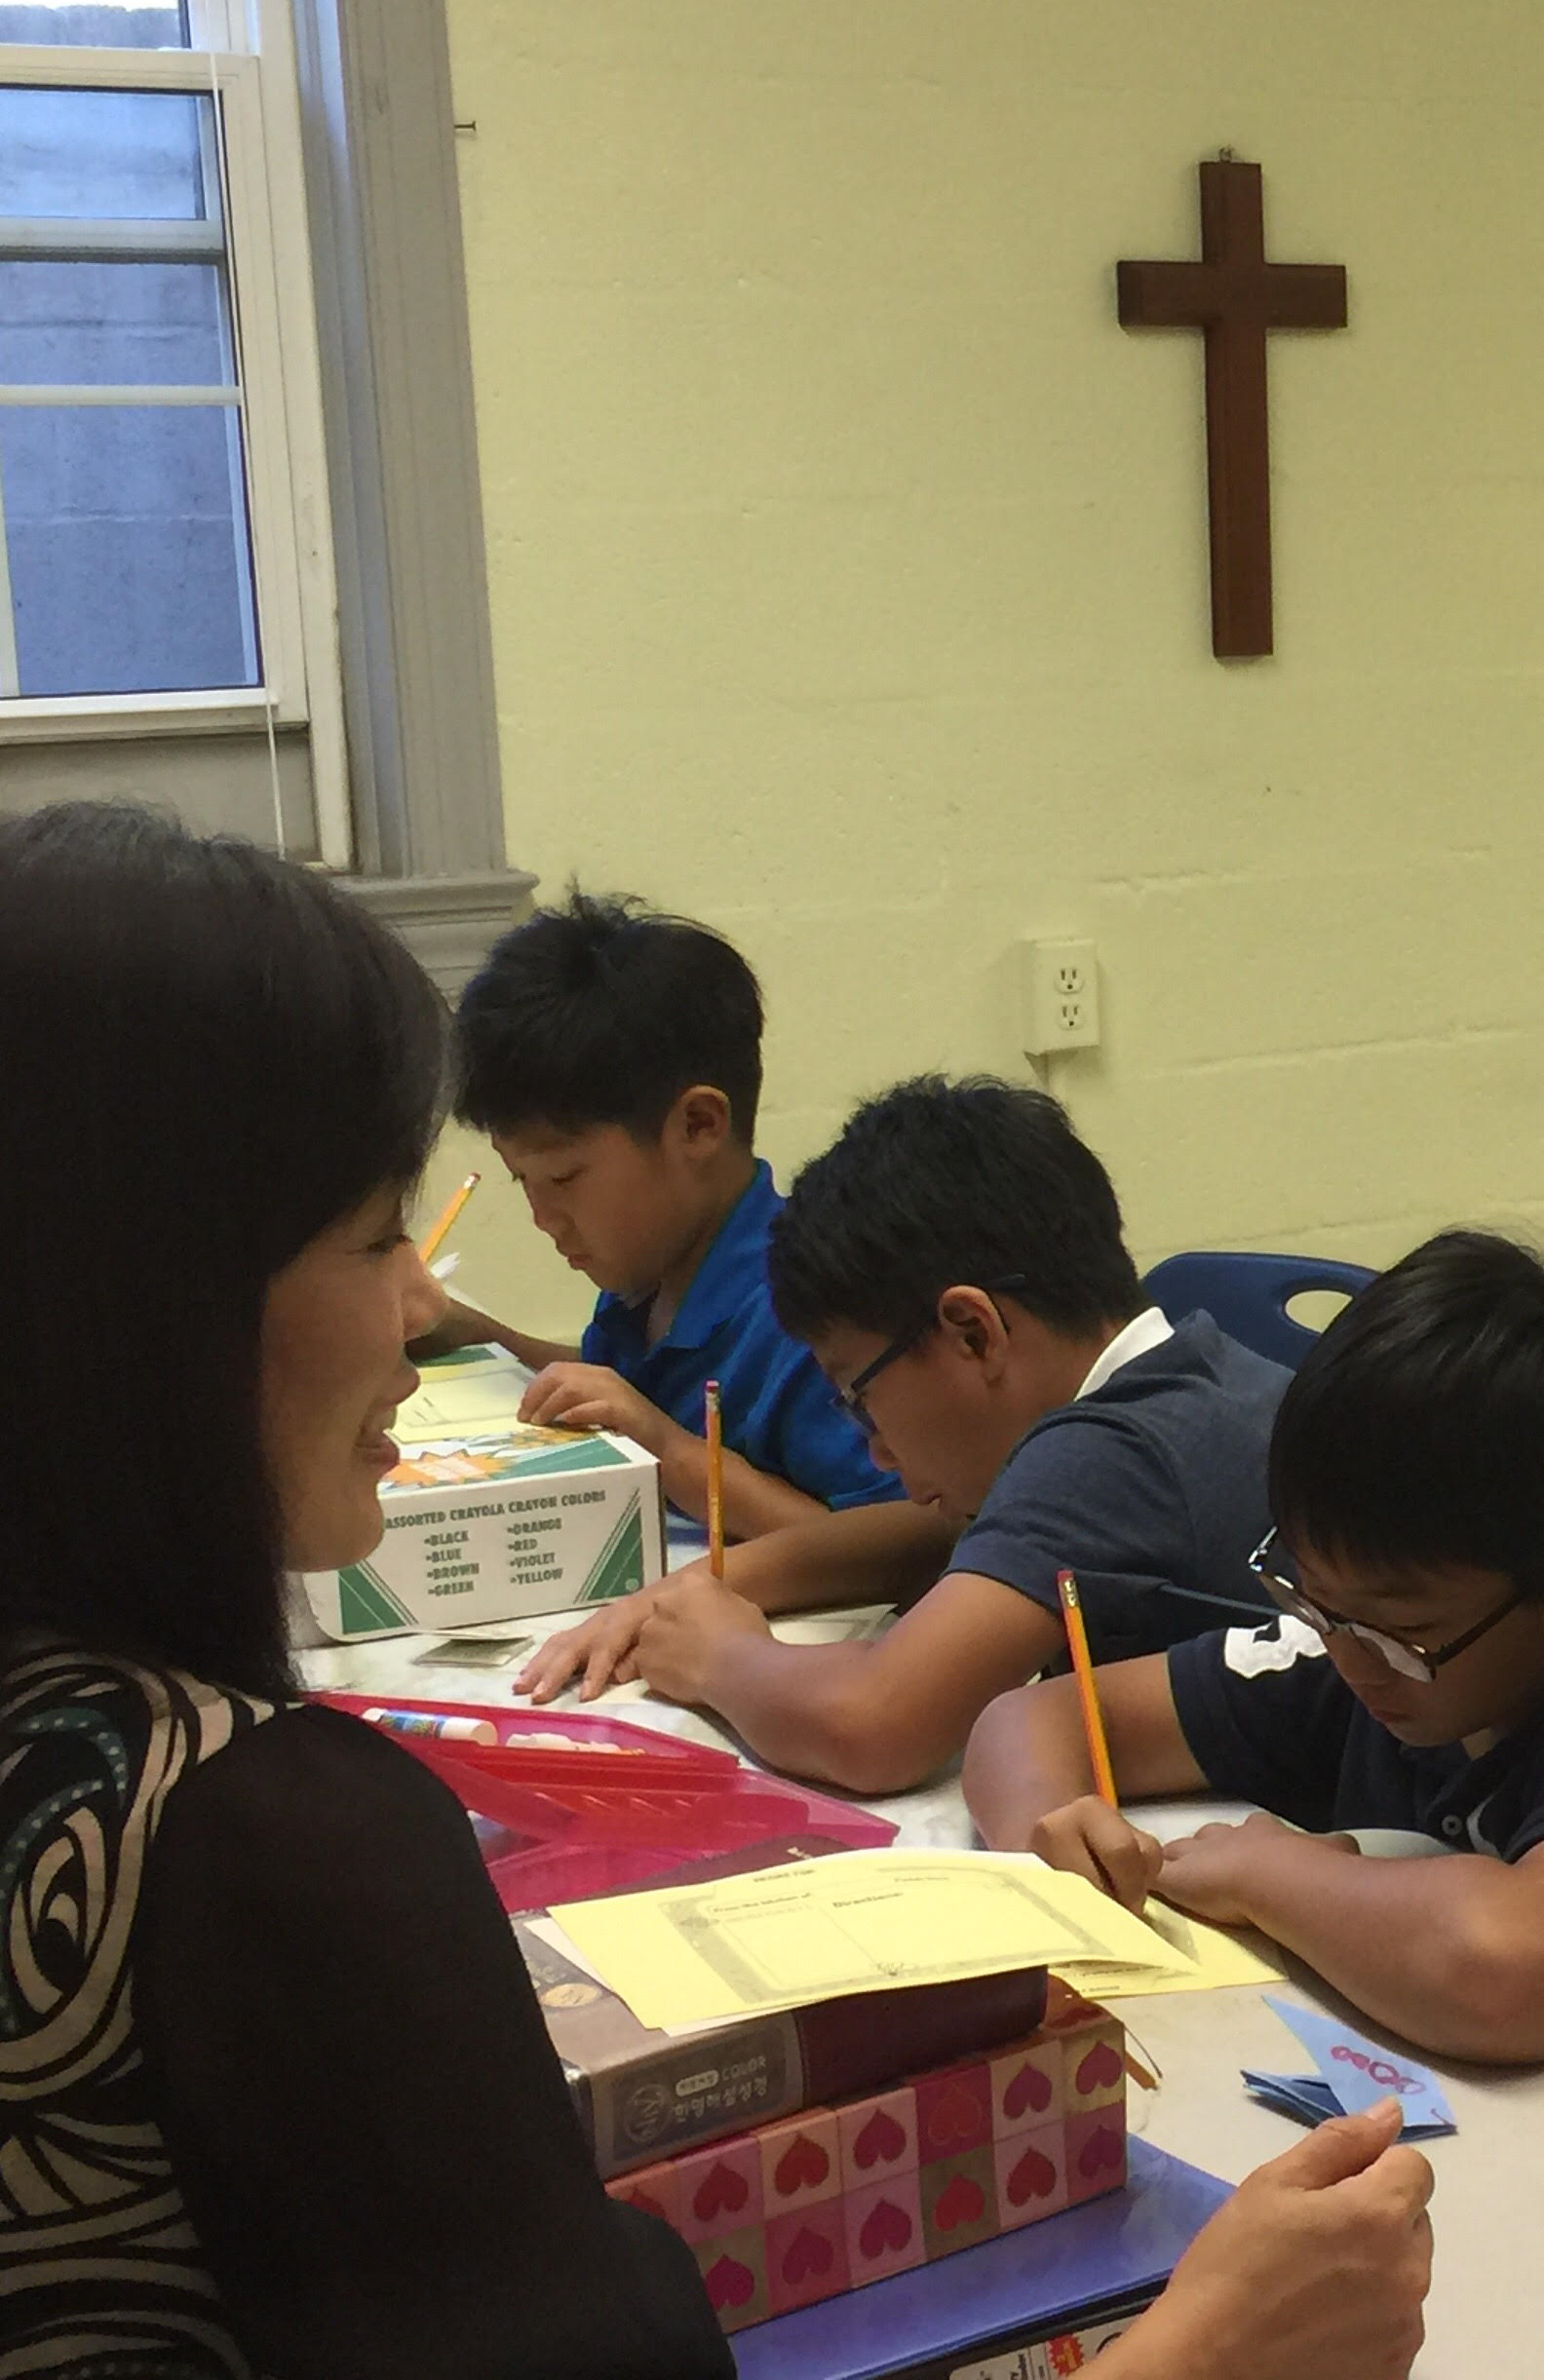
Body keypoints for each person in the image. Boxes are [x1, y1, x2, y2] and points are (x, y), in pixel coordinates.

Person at [0, 805, 1433, 2380]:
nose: (415, 1308)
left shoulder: (151, 1790)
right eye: (374, 1238)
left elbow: (898, 1703)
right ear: (159, 1301)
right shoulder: (245, 1841)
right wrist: (1205, 2350)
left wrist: (729, 1632)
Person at [962, 1230, 1544, 2064]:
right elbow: (1026, 1720)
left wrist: (1266, 1874)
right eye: (1312, 1598)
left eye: (1401, 1633)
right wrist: (1054, 1835)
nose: (1347, 1657)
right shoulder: (1364, 1643)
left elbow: (1506, 1970)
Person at [519, 1076, 1291, 1793]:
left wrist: (720, 1656)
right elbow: (935, 1534)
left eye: (860, 1400)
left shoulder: (1107, 1455)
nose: (877, 1451)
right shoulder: (1193, 1374)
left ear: (973, 1333)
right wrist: (706, 1588)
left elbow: (875, 1727)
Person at [427, 891, 897, 1536]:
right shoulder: (651, 1275)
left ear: (698, 1125)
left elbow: (905, 1542)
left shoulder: (812, 1321)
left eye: (564, 1178)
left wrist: (668, 1451)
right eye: (522, 1181)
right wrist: (478, 1336)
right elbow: (620, 1390)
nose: (543, 1218)